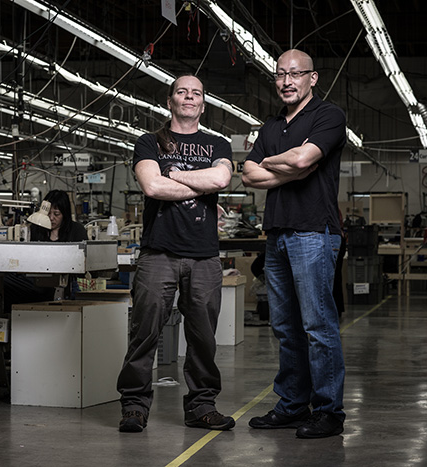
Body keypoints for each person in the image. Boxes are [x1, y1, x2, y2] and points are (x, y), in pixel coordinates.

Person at [116, 75, 235, 433]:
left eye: (196, 93)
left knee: (203, 337)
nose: (189, 97)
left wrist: (174, 176)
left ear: (203, 103)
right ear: (170, 101)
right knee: (144, 332)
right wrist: (197, 180)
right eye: (182, 92)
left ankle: (201, 406)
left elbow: (221, 181)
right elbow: (151, 185)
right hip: (159, 253)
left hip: (204, 256)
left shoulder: (219, 143)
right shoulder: (149, 142)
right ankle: (134, 406)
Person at [241, 49, 347, 439]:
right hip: (278, 234)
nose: (287, 81)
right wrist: (285, 167)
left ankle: (329, 411)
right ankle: (291, 405)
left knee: (318, 326)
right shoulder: (270, 125)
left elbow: (304, 159)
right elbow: (248, 175)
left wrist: (276, 163)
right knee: (285, 327)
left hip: (313, 233)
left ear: (312, 78)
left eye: (295, 74)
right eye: (280, 74)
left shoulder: (328, 116)